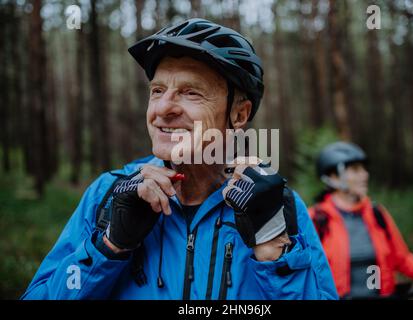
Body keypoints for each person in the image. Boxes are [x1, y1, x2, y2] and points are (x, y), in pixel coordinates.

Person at [22, 19, 337, 300]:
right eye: (157, 91)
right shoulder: (108, 194)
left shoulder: (278, 206)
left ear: (239, 114)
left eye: (191, 93)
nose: (163, 109)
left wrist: (275, 256)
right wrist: (109, 247)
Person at [308, 141, 413, 299]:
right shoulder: (315, 219)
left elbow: (403, 260)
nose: (365, 175)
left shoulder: (376, 214)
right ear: (333, 177)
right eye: (355, 170)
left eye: (364, 169)